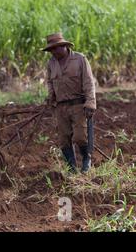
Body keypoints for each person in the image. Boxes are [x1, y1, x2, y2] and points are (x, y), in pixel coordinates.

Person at [42, 32, 96, 173]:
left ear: (64, 46)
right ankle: (72, 169)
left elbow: (89, 82)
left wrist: (90, 102)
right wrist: (50, 98)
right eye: (51, 50)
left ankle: (86, 160)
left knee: (80, 137)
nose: (53, 52)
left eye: (56, 48)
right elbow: (50, 83)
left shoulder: (79, 59)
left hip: (78, 104)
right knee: (63, 140)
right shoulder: (51, 63)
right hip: (60, 107)